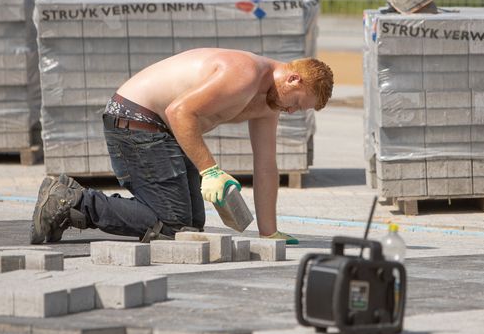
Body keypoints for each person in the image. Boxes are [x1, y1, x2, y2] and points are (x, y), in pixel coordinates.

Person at [30, 48, 334, 245]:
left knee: (191, 227)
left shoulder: (269, 102)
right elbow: (180, 112)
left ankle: (84, 205)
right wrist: (210, 170)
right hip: (135, 120)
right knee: (172, 226)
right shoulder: (245, 73)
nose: (290, 111)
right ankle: (72, 201)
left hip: (160, 130)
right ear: (294, 79)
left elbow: (266, 165)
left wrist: (269, 232)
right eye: (295, 104)